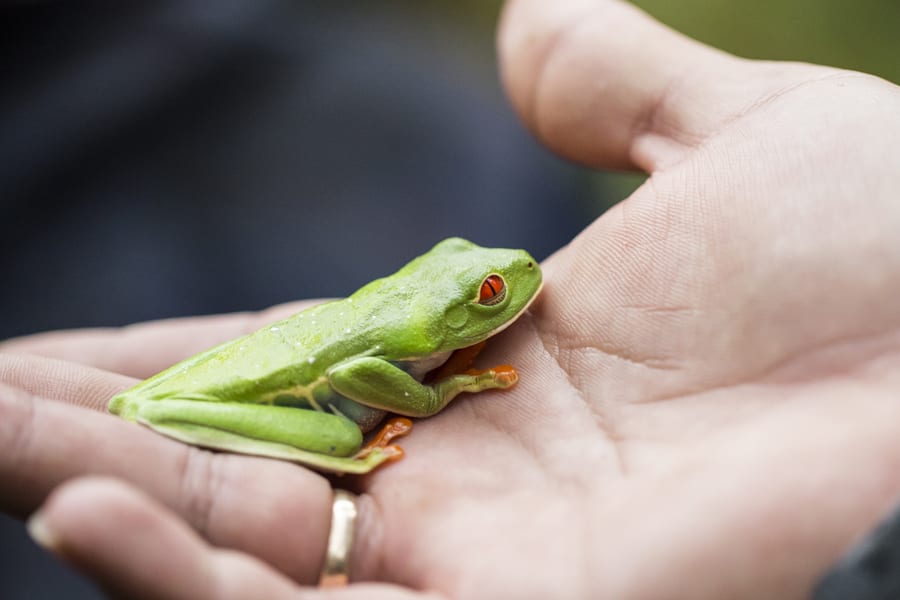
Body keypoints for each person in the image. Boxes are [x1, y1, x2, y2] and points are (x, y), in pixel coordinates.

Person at [2, 0, 900, 597]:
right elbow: (359, 364)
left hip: (290, 326)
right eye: (486, 294)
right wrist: (437, 396)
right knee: (335, 429)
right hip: (308, 385)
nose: (508, 285)